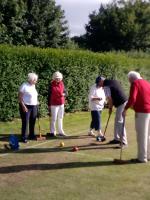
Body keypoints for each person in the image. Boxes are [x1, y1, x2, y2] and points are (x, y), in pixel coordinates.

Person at [123, 71, 150, 163]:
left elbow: (132, 98)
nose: (129, 82)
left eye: (129, 80)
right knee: (148, 135)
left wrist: (125, 109)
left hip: (142, 112)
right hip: (149, 110)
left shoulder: (135, 83)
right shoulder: (147, 83)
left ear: (131, 78)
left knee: (142, 135)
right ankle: (148, 155)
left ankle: (142, 158)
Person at [98, 76, 128, 146]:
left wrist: (110, 108)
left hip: (121, 103)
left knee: (120, 121)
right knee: (117, 120)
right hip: (124, 101)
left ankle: (123, 142)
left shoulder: (106, 86)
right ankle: (116, 139)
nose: (99, 86)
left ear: (101, 81)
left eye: (99, 83)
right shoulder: (114, 81)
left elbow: (109, 99)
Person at [18, 72, 38, 143]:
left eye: (36, 79)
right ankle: (24, 137)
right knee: (25, 121)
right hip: (26, 106)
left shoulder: (33, 86)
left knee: (33, 121)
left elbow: (33, 96)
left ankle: (31, 135)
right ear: (30, 79)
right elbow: (19, 97)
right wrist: (23, 106)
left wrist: (36, 102)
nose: (36, 81)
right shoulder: (24, 85)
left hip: (34, 106)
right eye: (35, 79)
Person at [48, 71, 67, 137]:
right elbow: (49, 95)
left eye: (59, 78)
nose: (58, 79)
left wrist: (63, 94)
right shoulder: (51, 85)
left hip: (61, 103)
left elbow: (66, 92)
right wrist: (49, 105)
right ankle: (53, 132)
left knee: (60, 117)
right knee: (54, 118)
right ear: (54, 78)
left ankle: (61, 131)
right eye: (56, 78)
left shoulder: (62, 84)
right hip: (54, 104)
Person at [88, 76, 106, 141]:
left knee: (94, 119)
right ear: (98, 82)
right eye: (102, 81)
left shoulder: (102, 88)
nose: (103, 82)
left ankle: (90, 131)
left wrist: (104, 100)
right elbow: (91, 97)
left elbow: (103, 95)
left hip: (100, 106)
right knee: (98, 119)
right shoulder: (93, 87)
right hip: (94, 106)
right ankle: (99, 132)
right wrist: (98, 98)